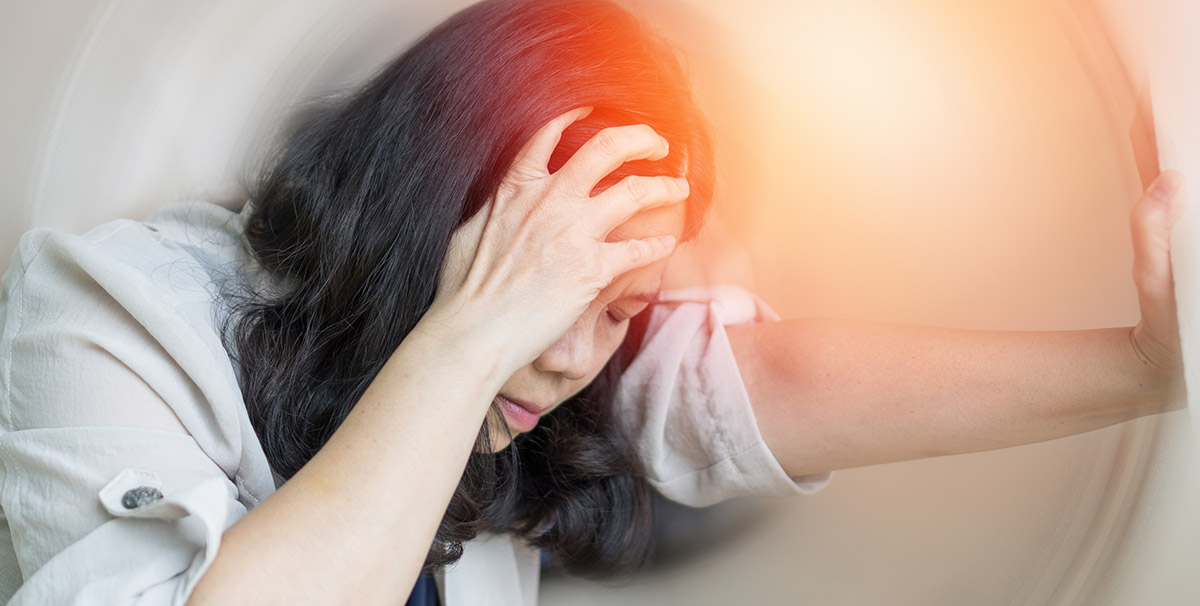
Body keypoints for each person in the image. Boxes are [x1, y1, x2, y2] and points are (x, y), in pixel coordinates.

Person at [0, 0, 1185, 605]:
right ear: (427, 206)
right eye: (553, 282)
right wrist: (468, 338)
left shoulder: (539, 388)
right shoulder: (107, 309)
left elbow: (757, 390)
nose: (576, 353)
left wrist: (1144, 368)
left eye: (622, 308)